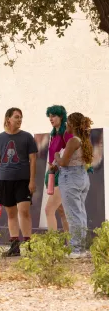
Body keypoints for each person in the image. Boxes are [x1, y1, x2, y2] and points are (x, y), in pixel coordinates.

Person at [0, 108, 38, 257]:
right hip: (4, 180)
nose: (19, 120)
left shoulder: (27, 137)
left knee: (24, 211)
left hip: (23, 180)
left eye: (21, 117)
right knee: (11, 214)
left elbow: (33, 160)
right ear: (8, 119)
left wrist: (32, 180)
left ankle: (28, 244)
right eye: (16, 117)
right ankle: (14, 246)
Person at [54, 112, 93, 257]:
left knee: (73, 214)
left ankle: (75, 249)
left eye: (67, 122)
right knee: (80, 213)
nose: (66, 125)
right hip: (82, 177)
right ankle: (82, 248)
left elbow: (63, 162)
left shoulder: (73, 141)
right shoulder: (83, 140)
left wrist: (57, 156)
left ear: (71, 124)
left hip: (70, 178)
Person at [44, 105, 71, 232]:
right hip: (52, 175)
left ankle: (53, 243)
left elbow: (72, 153)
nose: (51, 118)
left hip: (63, 175)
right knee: (62, 212)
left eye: (53, 116)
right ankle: (70, 244)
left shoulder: (66, 133)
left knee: (49, 209)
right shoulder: (54, 134)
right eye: (49, 116)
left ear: (61, 116)